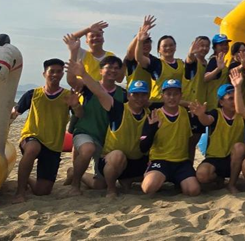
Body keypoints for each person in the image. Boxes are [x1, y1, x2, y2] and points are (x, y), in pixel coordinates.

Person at [64, 35, 127, 196]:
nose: (113, 70)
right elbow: (72, 80)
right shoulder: (89, 86)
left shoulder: (123, 94)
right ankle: (75, 185)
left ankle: (74, 173)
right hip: (85, 131)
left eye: (116, 68)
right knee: (87, 149)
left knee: (100, 185)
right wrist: (73, 52)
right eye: (109, 67)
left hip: (105, 140)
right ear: (100, 71)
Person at [11, 59, 82, 203]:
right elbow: (14, 114)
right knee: (32, 148)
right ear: (44, 74)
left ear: (62, 74)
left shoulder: (67, 96)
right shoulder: (32, 94)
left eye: (59, 71)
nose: (55, 74)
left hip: (53, 145)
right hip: (31, 137)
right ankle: (20, 192)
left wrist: (75, 105)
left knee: (42, 191)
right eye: (52, 71)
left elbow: (80, 115)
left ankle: (27, 179)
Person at [139, 79, 211, 196]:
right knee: (148, 188)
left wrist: (201, 115)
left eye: (175, 94)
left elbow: (193, 140)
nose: (172, 97)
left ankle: (179, 180)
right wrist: (152, 130)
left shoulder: (188, 115)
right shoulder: (154, 115)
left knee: (193, 190)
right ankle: (155, 177)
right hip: (160, 160)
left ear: (181, 96)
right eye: (168, 94)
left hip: (181, 162)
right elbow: (143, 147)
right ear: (162, 96)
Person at [96, 79, 151, 198]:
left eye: (143, 95)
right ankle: (111, 189)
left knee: (158, 170)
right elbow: (100, 93)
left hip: (135, 162)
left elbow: (169, 103)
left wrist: (189, 104)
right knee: (100, 183)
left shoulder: (150, 113)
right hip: (112, 160)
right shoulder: (118, 108)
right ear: (128, 95)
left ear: (148, 97)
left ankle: (126, 179)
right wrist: (83, 74)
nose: (139, 98)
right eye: (135, 94)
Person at [196, 77, 245, 194]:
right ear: (221, 102)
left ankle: (231, 184)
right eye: (230, 99)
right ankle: (218, 178)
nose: (233, 101)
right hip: (215, 158)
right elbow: (207, 121)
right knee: (202, 175)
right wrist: (201, 115)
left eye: (235, 98)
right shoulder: (216, 113)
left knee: (239, 147)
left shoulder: (242, 114)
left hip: (233, 159)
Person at [202, 34, 231, 112]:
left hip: (220, 103)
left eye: (226, 44)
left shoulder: (221, 61)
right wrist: (218, 69)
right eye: (221, 45)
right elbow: (206, 78)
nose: (225, 46)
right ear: (215, 47)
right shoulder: (214, 60)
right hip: (214, 105)